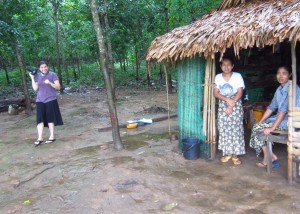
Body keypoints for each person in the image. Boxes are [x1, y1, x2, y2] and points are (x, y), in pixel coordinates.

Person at [250, 66, 300, 167]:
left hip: (292, 121)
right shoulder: (279, 89)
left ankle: (268, 157)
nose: (281, 76)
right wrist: (261, 121)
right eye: (278, 73)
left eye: (284, 73)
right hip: (280, 118)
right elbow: (272, 107)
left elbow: (283, 111)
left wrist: (272, 128)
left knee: (257, 129)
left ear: (290, 75)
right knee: (257, 126)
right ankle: (269, 156)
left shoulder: (293, 88)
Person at [214, 56, 246, 165]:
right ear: (220, 66)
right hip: (223, 104)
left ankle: (235, 155)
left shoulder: (237, 76)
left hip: (235, 104)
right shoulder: (218, 77)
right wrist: (227, 100)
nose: (226, 67)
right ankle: (227, 153)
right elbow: (216, 93)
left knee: (236, 129)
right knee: (224, 129)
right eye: (224, 64)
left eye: (228, 64)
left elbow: (240, 92)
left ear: (232, 66)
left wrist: (231, 105)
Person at [29, 61, 63, 145]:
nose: (44, 69)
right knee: (40, 119)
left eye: (45, 67)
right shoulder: (37, 76)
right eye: (41, 67)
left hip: (50, 99)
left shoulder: (52, 75)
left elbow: (58, 87)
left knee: (50, 118)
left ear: (48, 67)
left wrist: (50, 83)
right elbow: (35, 88)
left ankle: (52, 136)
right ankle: (40, 138)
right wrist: (32, 78)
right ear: (39, 68)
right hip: (40, 100)